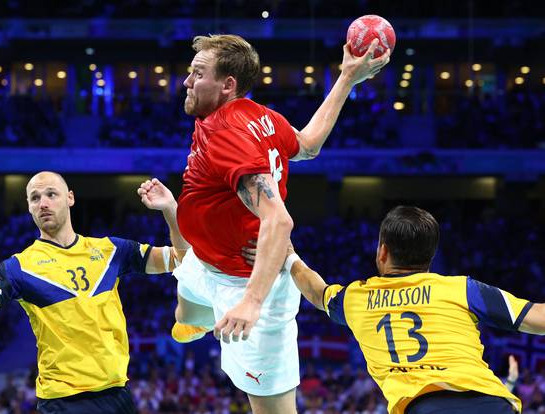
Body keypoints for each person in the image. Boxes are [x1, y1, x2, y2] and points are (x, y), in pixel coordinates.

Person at [139, 34, 390, 413]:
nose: (187, 82)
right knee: (185, 315)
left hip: (247, 284)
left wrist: (251, 304)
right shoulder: (260, 116)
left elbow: (279, 220)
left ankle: (234, 316)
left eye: (197, 74)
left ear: (227, 85)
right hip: (206, 263)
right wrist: (346, 79)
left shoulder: (227, 132)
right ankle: (201, 315)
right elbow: (308, 145)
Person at [0, 171, 187, 414]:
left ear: (70, 198)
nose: (43, 203)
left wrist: (170, 209)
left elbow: (180, 259)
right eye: (35, 198)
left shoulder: (112, 250)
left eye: (51, 194)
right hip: (63, 402)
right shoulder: (17, 268)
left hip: (117, 395)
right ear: (29, 207)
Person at [287, 205, 545, 414]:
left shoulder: (355, 297)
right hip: (492, 403)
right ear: (431, 257)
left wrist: (288, 256)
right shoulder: (463, 289)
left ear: (382, 252)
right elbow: (538, 318)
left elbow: (316, 291)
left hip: (424, 405)